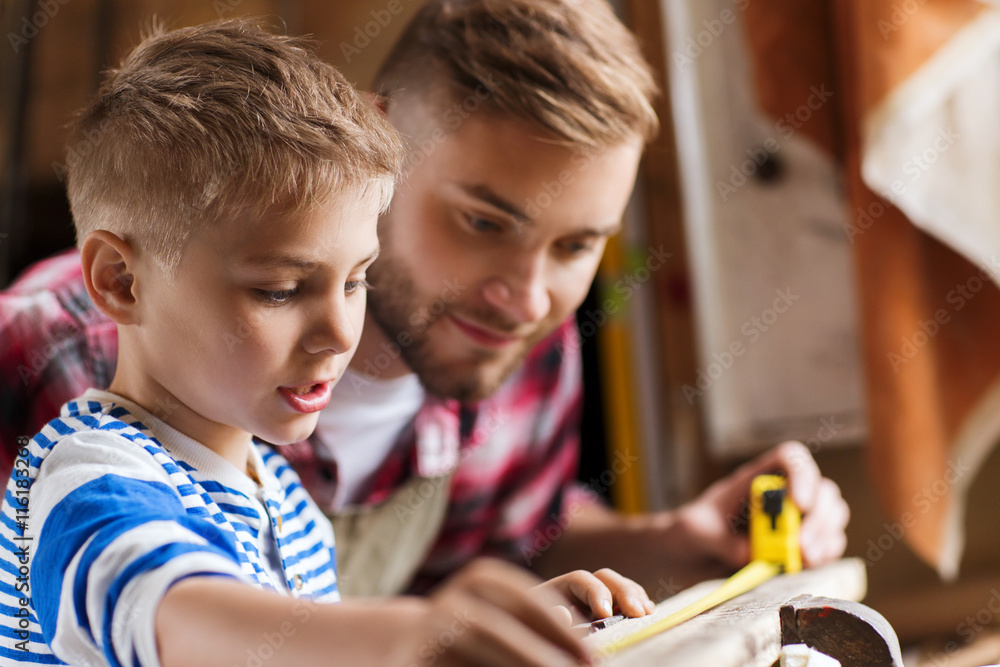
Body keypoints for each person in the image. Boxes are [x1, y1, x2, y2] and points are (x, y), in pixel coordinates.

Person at [0, 0, 849, 603]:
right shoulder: (53, 360)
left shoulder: (523, 347)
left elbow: (502, 538)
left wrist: (676, 537)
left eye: (576, 245)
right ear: (381, 142)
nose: (525, 296)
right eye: (484, 221)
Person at [0, 20, 654, 667]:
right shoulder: (92, 483)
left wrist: (505, 629)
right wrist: (406, 635)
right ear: (121, 281)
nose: (343, 332)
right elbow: (179, 613)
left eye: (356, 278)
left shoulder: (282, 499)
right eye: (281, 289)